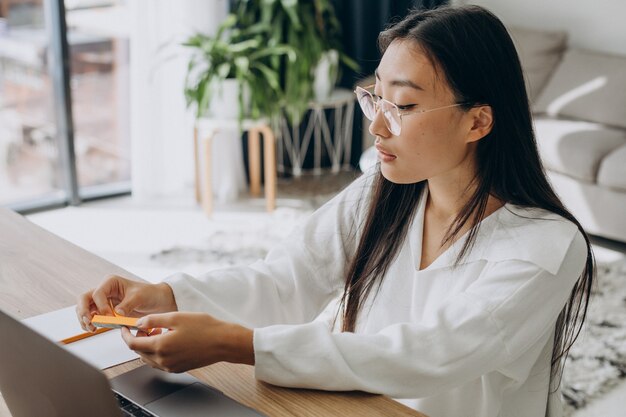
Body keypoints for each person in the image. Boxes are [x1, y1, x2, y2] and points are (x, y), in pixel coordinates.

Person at [76, 5, 595, 417]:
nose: (377, 127)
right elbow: (286, 278)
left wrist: (238, 345)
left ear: (478, 122)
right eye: (376, 98)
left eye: (405, 106)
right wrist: (164, 295)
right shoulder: (385, 193)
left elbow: (429, 354)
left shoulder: (545, 248)